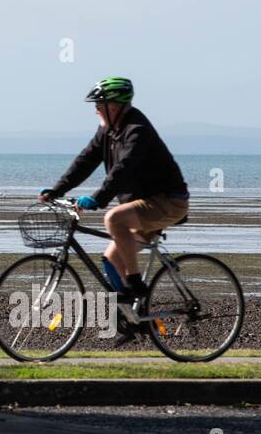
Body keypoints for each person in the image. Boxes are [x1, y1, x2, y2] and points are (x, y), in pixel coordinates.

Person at [39, 77, 189, 343]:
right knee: (110, 261)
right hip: (144, 207)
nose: (96, 109)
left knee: (114, 218)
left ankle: (134, 282)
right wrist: (57, 190)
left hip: (169, 201)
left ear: (115, 105)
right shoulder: (108, 131)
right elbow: (85, 160)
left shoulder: (137, 129)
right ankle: (139, 321)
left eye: (99, 104)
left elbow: (124, 168)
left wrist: (97, 199)